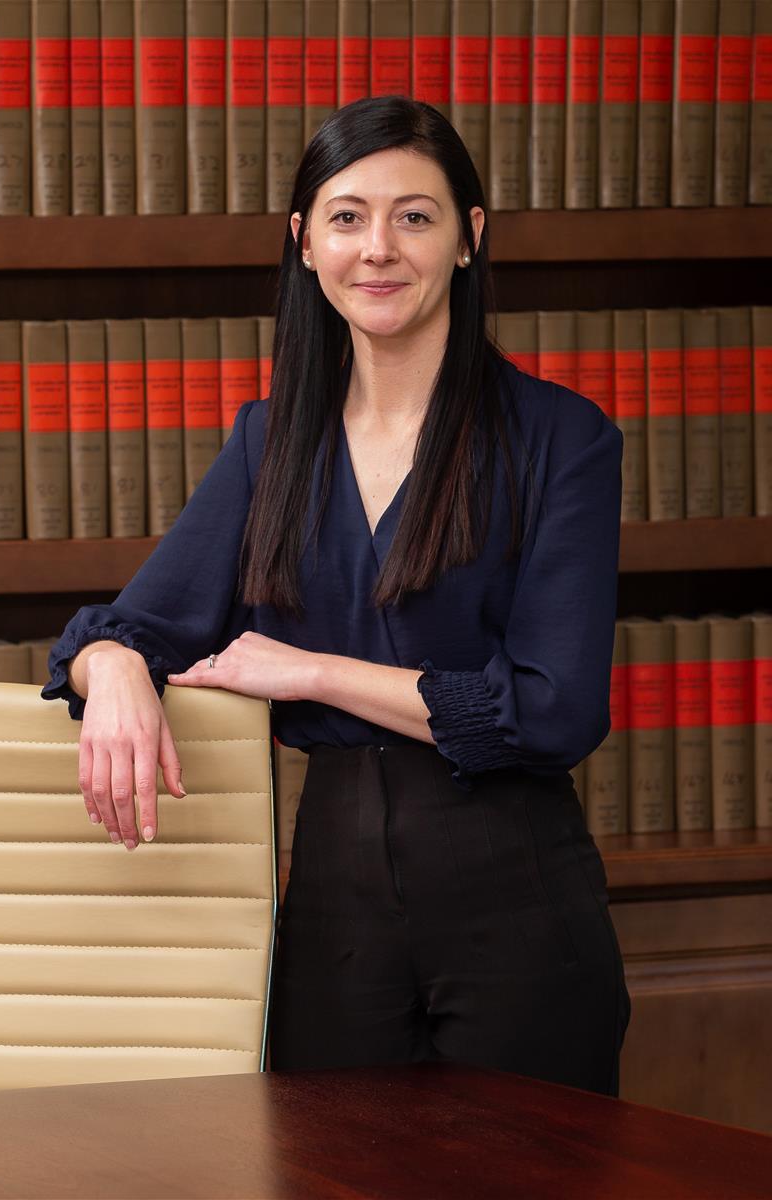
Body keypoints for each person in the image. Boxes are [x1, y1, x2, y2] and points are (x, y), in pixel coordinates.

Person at [42, 95, 632, 1096]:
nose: (378, 248)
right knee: (328, 1166)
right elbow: (121, 631)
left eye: (415, 216)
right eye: (347, 217)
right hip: (331, 914)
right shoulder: (270, 443)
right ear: (305, 243)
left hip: (518, 902)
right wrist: (117, 671)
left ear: (467, 239)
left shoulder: (560, 439)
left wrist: (312, 672)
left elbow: (552, 711)